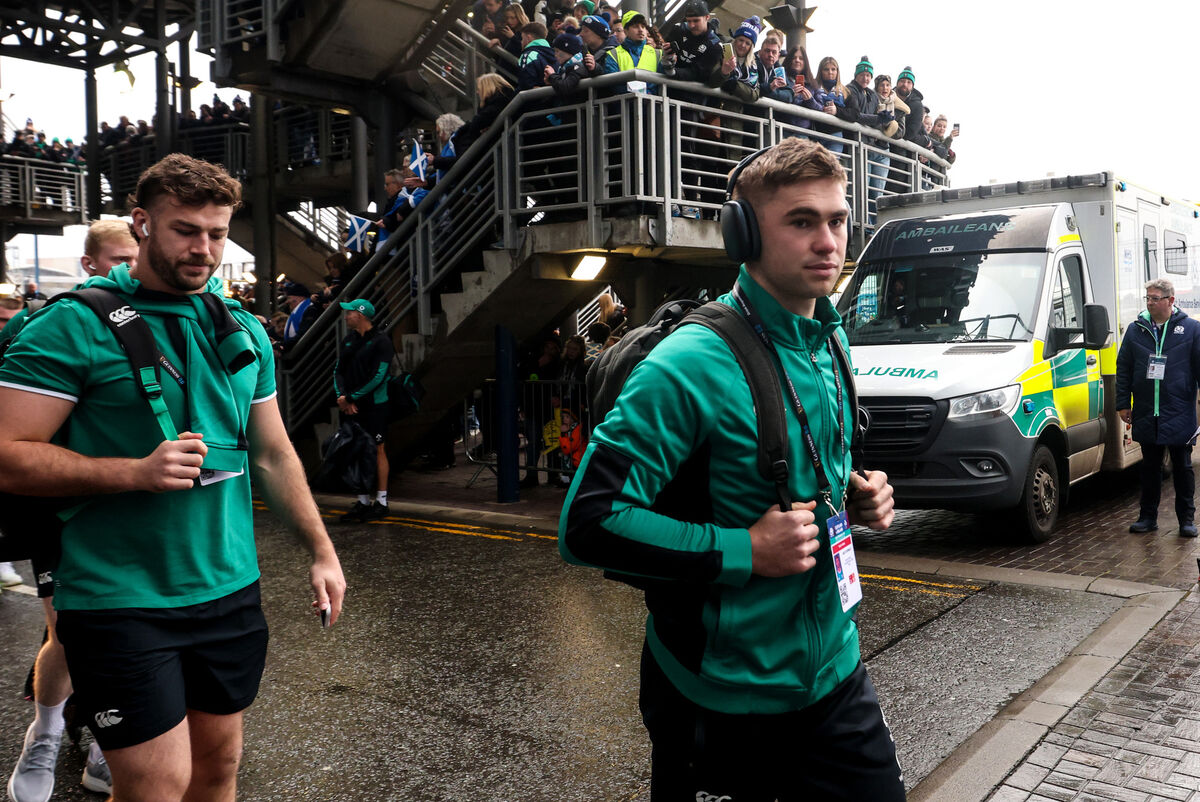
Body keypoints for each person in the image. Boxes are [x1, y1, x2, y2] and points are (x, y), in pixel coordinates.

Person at [558, 138, 902, 799]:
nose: (827, 241)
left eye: (836, 219)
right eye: (801, 221)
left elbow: (813, 463)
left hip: (834, 676)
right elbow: (587, 524)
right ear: (743, 233)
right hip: (718, 700)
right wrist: (744, 550)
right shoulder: (688, 365)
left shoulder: (832, 339)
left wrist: (858, 494)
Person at [0, 153, 345, 802]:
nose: (205, 249)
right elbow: (6, 453)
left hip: (229, 589)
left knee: (218, 773)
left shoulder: (241, 328)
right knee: (157, 786)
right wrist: (134, 472)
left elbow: (272, 454)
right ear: (142, 224)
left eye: (217, 234)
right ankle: (45, 732)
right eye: (186, 230)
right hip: (118, 597)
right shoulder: (71, 325)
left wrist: (322, 553)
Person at [3, 218, 138, 802]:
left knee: (135, 632)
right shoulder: (56, 323)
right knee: (70, 632)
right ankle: (47, 730)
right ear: (89, 265)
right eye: (117, 260)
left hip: (139, 508)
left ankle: (115, 736)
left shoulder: (161, 318)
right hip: (64, 509)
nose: (129, 270)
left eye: (137, 258)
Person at [1116, 278, 1200, 538]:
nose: (1150, 303)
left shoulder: (1191, 329)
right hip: (1145, 410)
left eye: (1155, 298)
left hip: (1179, 410)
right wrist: (1122, 403)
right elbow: (1124, 368)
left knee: (1182, 467)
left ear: (1170, 300)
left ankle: (1187, 520)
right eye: (1148, 298)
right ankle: (1147, 517)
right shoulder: (1135, 329)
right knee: (1150, 468)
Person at [334, 298, 395, 522]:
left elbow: (379, 377)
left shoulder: (381, 341)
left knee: (378, 449)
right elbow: (338, 371)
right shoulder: (349, 340)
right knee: (354, 450)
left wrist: (351, 397)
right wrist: (342, 397)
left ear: (360, 315)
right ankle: (362, 501)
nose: (346, 316)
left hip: (375, 405)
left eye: (349, 313)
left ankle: (381, 501)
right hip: (351, 405)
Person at [844, 56, 890, 211]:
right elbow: (856, 116)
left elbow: (877, 117)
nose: (865, 78)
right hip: (856, 146)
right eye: (862, 74)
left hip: (870, 145)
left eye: (868, 75)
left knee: (874, 192)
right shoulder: (850, 89)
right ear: (856, 75)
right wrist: (877, 118)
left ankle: (871, 225)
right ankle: (859, 222)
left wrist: (886, 120)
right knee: (859, 187)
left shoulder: (872, 95)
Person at [603, 10, 662, 94]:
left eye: (643, 27)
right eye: (635, 26)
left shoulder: (658, 54)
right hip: (625, 105)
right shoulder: (613, 54)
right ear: (626, 31)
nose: (641, 30)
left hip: (652, 105)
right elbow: (614, 85)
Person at [813, 55, 852, 153]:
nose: (830, 72)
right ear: (821, 71)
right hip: (816, 134)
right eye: (826, 69)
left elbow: (854, 113)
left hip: (835, 135)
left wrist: (837, 111)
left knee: (832, 167)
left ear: (837, 71)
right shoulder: (813, 87)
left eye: (833, 69)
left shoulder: (845, 91)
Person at [894, 66, 930, 151]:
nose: (905, 84)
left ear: (912, 86)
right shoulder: (888, 95)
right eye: (902, 81)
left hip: (902, 151)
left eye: (908, 82)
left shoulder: (917, 105)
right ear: (897, 83)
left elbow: (911, 133)